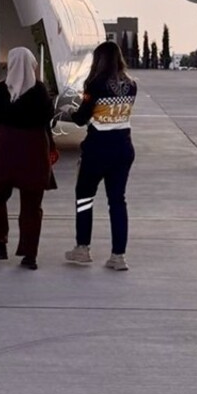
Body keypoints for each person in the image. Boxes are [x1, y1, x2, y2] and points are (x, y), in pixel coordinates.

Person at [0, 47, 55, 269]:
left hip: (6, 156)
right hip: (35, 156)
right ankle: (30, 256)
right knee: (32, 207)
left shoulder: (0, 91)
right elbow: (49, 116)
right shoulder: (40, 92)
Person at [63, 39, 138, 271]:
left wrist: (67, 113)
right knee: (117, 201)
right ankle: (118, 256)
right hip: (123, 148)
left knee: (85, 197)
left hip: (97, 150)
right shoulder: (132, 85)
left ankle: (83, 248)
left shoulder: (95, 84)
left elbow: (82, 118)